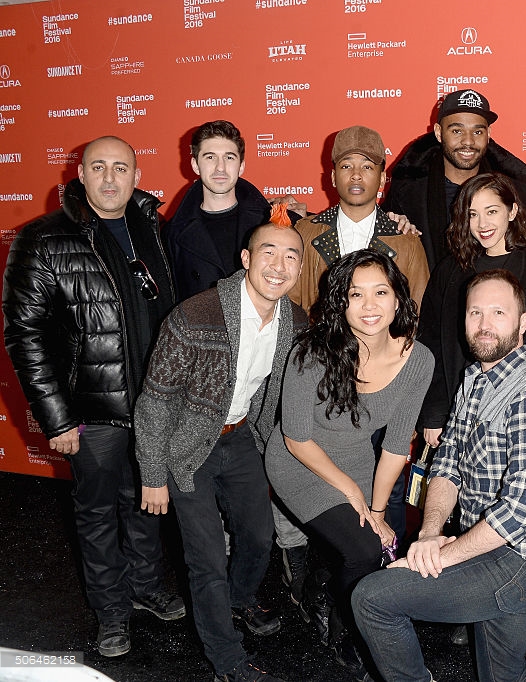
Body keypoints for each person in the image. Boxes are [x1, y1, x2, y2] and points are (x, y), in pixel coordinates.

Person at [2, 136, 181, 658]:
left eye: (120, 167)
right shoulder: (43, 239)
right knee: (98, 514)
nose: (109, 178)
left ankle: (145, 588)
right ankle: (111, 612)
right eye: (98, 167)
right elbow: (24, 336)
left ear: (136, 174)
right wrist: (55, 419)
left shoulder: (154, 228)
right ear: (79, 173)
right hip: (92, 414)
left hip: (153, 408)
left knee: (147, 505)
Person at [352, 269, 526, 682]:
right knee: (504, 677)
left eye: (498, 313)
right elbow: (448, 461)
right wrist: (430, 533)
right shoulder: (475, 376)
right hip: (487, 542)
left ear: (522, 323)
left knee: (373, 598)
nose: (485, 325)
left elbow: (520, 513)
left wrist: (440, 557)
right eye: (475, 313)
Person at [135, 223, 306, 682]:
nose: (279, 264)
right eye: (268, 252)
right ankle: (228, 662)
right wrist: (153, 474)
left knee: (257, 535)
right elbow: (154, 401)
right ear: (246, 260)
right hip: (185, 448)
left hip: (238, 438)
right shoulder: (196, 315)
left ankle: (237, 599)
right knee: (207, 557)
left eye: (291, 256)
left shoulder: (295, 321)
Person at [265, 250, 433, 678]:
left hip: (357, 455)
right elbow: (295, 437)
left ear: (398, 299)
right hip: (298, 461)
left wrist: (377, 509)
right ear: (340, 302)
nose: (369, 306)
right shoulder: (312, 351)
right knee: (363, 548)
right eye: (355, 295)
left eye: (380, 292)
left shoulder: (419, 360)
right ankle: (344, 629)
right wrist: (354, 493)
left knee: (374, 541)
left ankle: (329, 593)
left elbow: (396, 445)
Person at [419, 172, 526, 448]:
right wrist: (434, 411)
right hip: (457, 409)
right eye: (473, 214)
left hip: (518, 409)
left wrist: (507, 384)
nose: (482, 224)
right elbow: (430, 346)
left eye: (491, 211)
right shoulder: (449, 271)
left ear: (512, 211)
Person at [382, 89, 526, 270]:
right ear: (439, 133)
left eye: (478, 132)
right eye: (457, 131)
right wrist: (390, 224)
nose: (468, 141)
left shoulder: (513, 190)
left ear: (488, 134)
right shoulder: (409, 193)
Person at [291, 125, 429, 312]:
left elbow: (417, 313)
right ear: (333, 177)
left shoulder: (406, 242)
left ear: (381, 179)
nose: (356, 175)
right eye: (346, 166)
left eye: (367, 167)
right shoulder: (304, 234)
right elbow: (289, 306)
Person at [164, 120, 305, 301]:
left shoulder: (273, 223)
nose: (220, 167)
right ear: (195, 165)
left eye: (229, 157)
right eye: (210, 157)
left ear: (241, 165)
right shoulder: (173, 234)